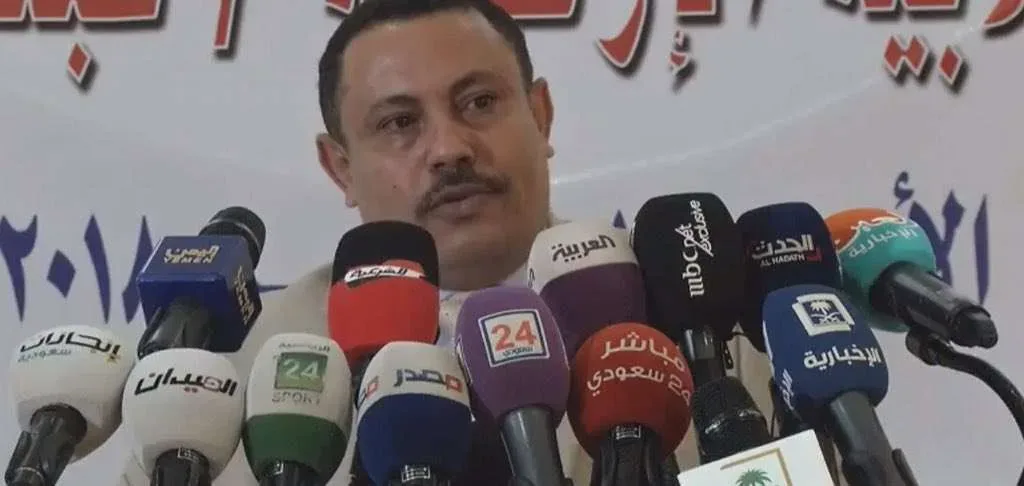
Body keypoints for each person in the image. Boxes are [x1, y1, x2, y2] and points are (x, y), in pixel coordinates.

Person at [118, 0, 786, 484]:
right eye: (399, 122)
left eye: (479, 103)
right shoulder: (246, 364)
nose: (449, 149)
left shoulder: (698, 313)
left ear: (542, 116)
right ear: (340, 168)